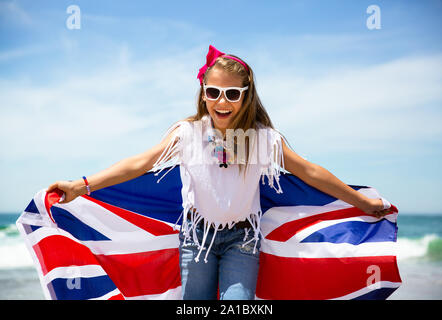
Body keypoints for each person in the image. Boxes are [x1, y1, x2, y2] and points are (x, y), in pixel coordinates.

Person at [47, 45, 391, 300]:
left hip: (243, 240)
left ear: (245, 96)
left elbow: (310, 172)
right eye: (213, 92)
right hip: (196, 239)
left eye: (231, 93)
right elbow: (140, 163)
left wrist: (360, 201)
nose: (221, 101)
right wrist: (82, 185)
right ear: (204, 93)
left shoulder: (262, 140)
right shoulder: (187, 134)